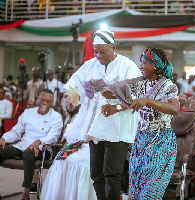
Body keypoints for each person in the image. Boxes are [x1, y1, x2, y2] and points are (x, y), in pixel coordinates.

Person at [63, 29, 141, 200]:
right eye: (96, 51)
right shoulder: (91, 64)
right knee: (96, 174)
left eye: (103, 51)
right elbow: (75, 83)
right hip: (94, 127)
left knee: (111, 174)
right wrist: (73, 97)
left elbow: (135, 97)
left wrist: (116, 104)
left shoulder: (128, 66)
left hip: (117, 128)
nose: (99, 55)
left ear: (113, 48)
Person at [105, 47, 179, 199]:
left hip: (160, 142)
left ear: (156, 66)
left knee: (150, 190)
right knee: (136, 187)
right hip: (141, 140)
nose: (141, 66)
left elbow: (175, 108)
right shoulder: (142, 83)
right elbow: (132, 103)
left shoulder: (168, 86)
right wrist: (116, 107)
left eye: (144, 63)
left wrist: (147, 101)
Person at [0, 89, 63, 200]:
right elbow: (16, 132)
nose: (45, 103)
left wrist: (39, 141)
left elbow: (53, 137)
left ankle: (26, 192)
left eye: (48, 101)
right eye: (42, 100)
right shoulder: (28, 113)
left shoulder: (56, 117)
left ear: (52, 103)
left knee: (29, 152)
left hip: (43, 150)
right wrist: (3, 138)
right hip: (22, 146)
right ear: (37, 100)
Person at [41, 103, 97, 200]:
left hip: (90, 145)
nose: (70, 104)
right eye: (68, 100)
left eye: (73, 101)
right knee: (61, 160)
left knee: (82, 164)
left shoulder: (86, 111)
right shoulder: (68, 116)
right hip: (73, 145)